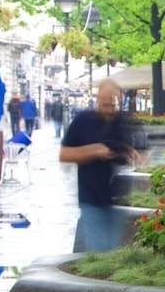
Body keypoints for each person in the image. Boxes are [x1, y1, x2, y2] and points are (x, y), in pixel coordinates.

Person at [60, 79, 142, 253]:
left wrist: (131, 152)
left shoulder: (119, 121)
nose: (109, 110)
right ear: (97, 99)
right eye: (105, 105)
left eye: (112, 104)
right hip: (91, 198)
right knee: (99, 253)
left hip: (115, 200)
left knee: (114, 253)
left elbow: (126, 146)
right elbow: (64, 154)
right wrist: (94, 151)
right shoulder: (82, 121)